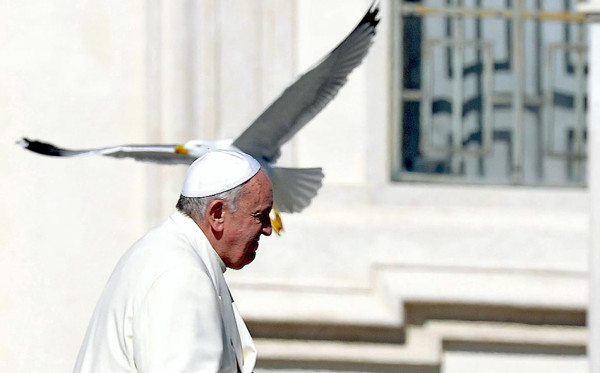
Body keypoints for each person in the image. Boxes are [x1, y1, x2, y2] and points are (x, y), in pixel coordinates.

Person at [74, 150, 273, 373]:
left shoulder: (163, 250)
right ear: (217, 214)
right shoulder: (182, 274)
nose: (268, 229)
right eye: (260, 215)